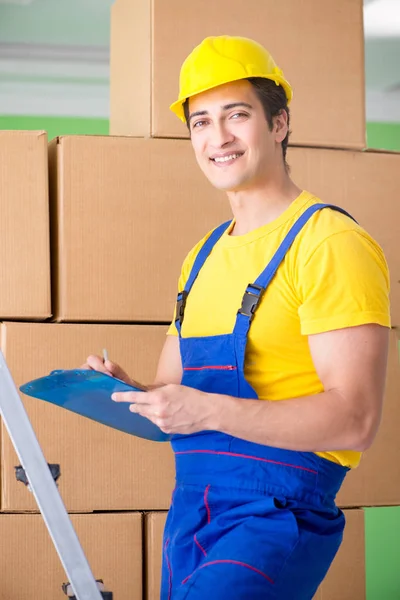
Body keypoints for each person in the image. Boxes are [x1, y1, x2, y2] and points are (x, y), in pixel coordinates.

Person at [84, 36, 391, 599]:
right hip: (192, 514)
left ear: (279, 124)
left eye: (237, 115)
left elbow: (355, 420)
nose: (217, 137)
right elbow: (174, 398)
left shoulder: (329, 243)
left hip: (275, 516)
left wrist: (206, 410)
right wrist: (129, 392)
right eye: (200, 122)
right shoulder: (202, 257)